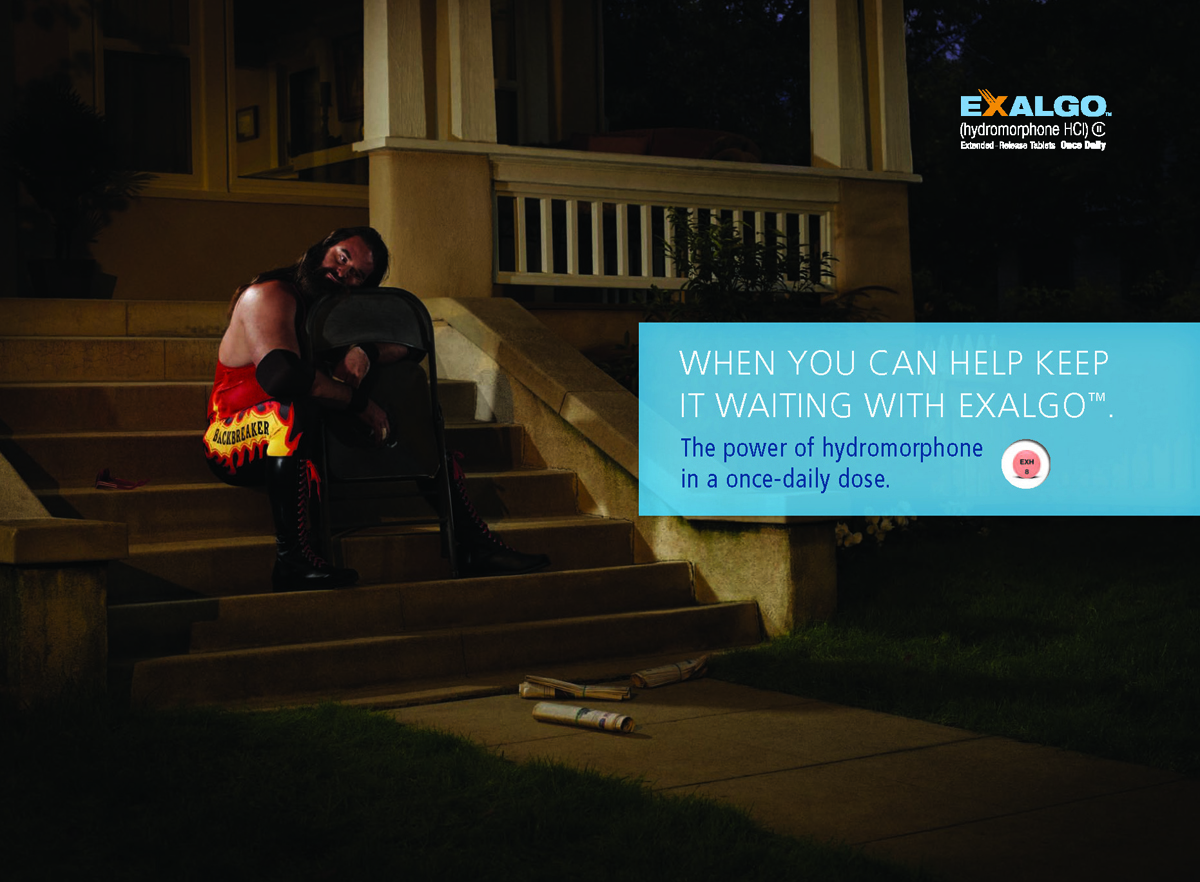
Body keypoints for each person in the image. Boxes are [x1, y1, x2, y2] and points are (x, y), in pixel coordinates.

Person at [203, 227, 549, 591]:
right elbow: (282, 376)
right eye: (342, 257)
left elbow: (412, 347)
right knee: (291, 414)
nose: (344, 272)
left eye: (356, 274)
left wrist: (364, 350)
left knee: (411, 417)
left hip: (305, 428)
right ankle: (291, 560)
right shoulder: (269, 295)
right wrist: (359, 403)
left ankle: (473, 546)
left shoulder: (330, 309)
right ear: (326, 245)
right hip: (230, 436)